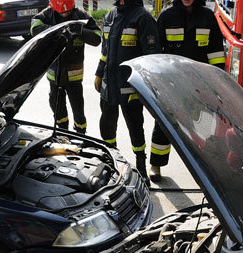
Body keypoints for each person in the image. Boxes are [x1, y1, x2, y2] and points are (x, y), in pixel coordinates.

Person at [148, 0, 225, 181]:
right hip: (171, 82)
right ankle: (155, 165)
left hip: (199, 83)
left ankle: (206, 169)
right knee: (163, 123)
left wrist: (218, 82)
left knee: (204, 127)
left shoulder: (207, 17)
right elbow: (157, 52)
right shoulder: (167, 16)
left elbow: (216, 52)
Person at [95, 0, 160, 179]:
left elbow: (151, 56)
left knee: (135, 127)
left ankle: (141, 167)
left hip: (130, 87)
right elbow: (105, 50)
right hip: (109, 84)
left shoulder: (143, 18)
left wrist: (146, 86)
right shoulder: (110, 15)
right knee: (107, 126)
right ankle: (110, 162)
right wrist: (99, 73)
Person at [31, 0, 101, 134]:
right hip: (54, 77)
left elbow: (97, 38)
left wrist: (80, 30)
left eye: (68, 12)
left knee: (78, 111)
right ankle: (63, 133)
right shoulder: (47, 15)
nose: (65, 14)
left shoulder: (81, 15)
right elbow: (34, 28)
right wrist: (56, 31)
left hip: (74, 78)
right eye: (62, 13)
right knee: (58, 110)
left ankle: (81, 134)